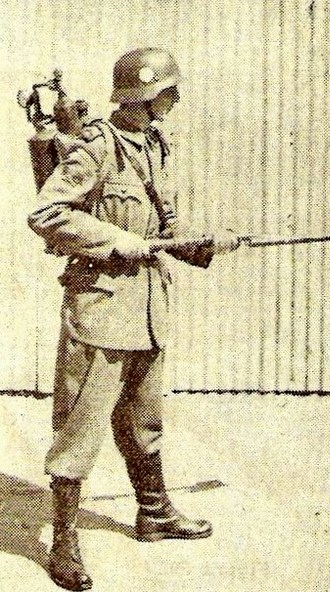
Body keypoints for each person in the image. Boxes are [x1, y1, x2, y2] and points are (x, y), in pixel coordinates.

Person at [27, 48, 238, 591]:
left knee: (144, 422)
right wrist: (121, 243)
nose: (173, 102)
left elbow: (162, 228)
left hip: (146, 310)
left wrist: (203, 244)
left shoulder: (155, 146)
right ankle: (63, 543)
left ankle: (154, 513)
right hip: (99, 312)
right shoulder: (97, 146)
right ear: (143, 93)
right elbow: (47, 214)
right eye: (167, 93)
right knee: (78, 431)